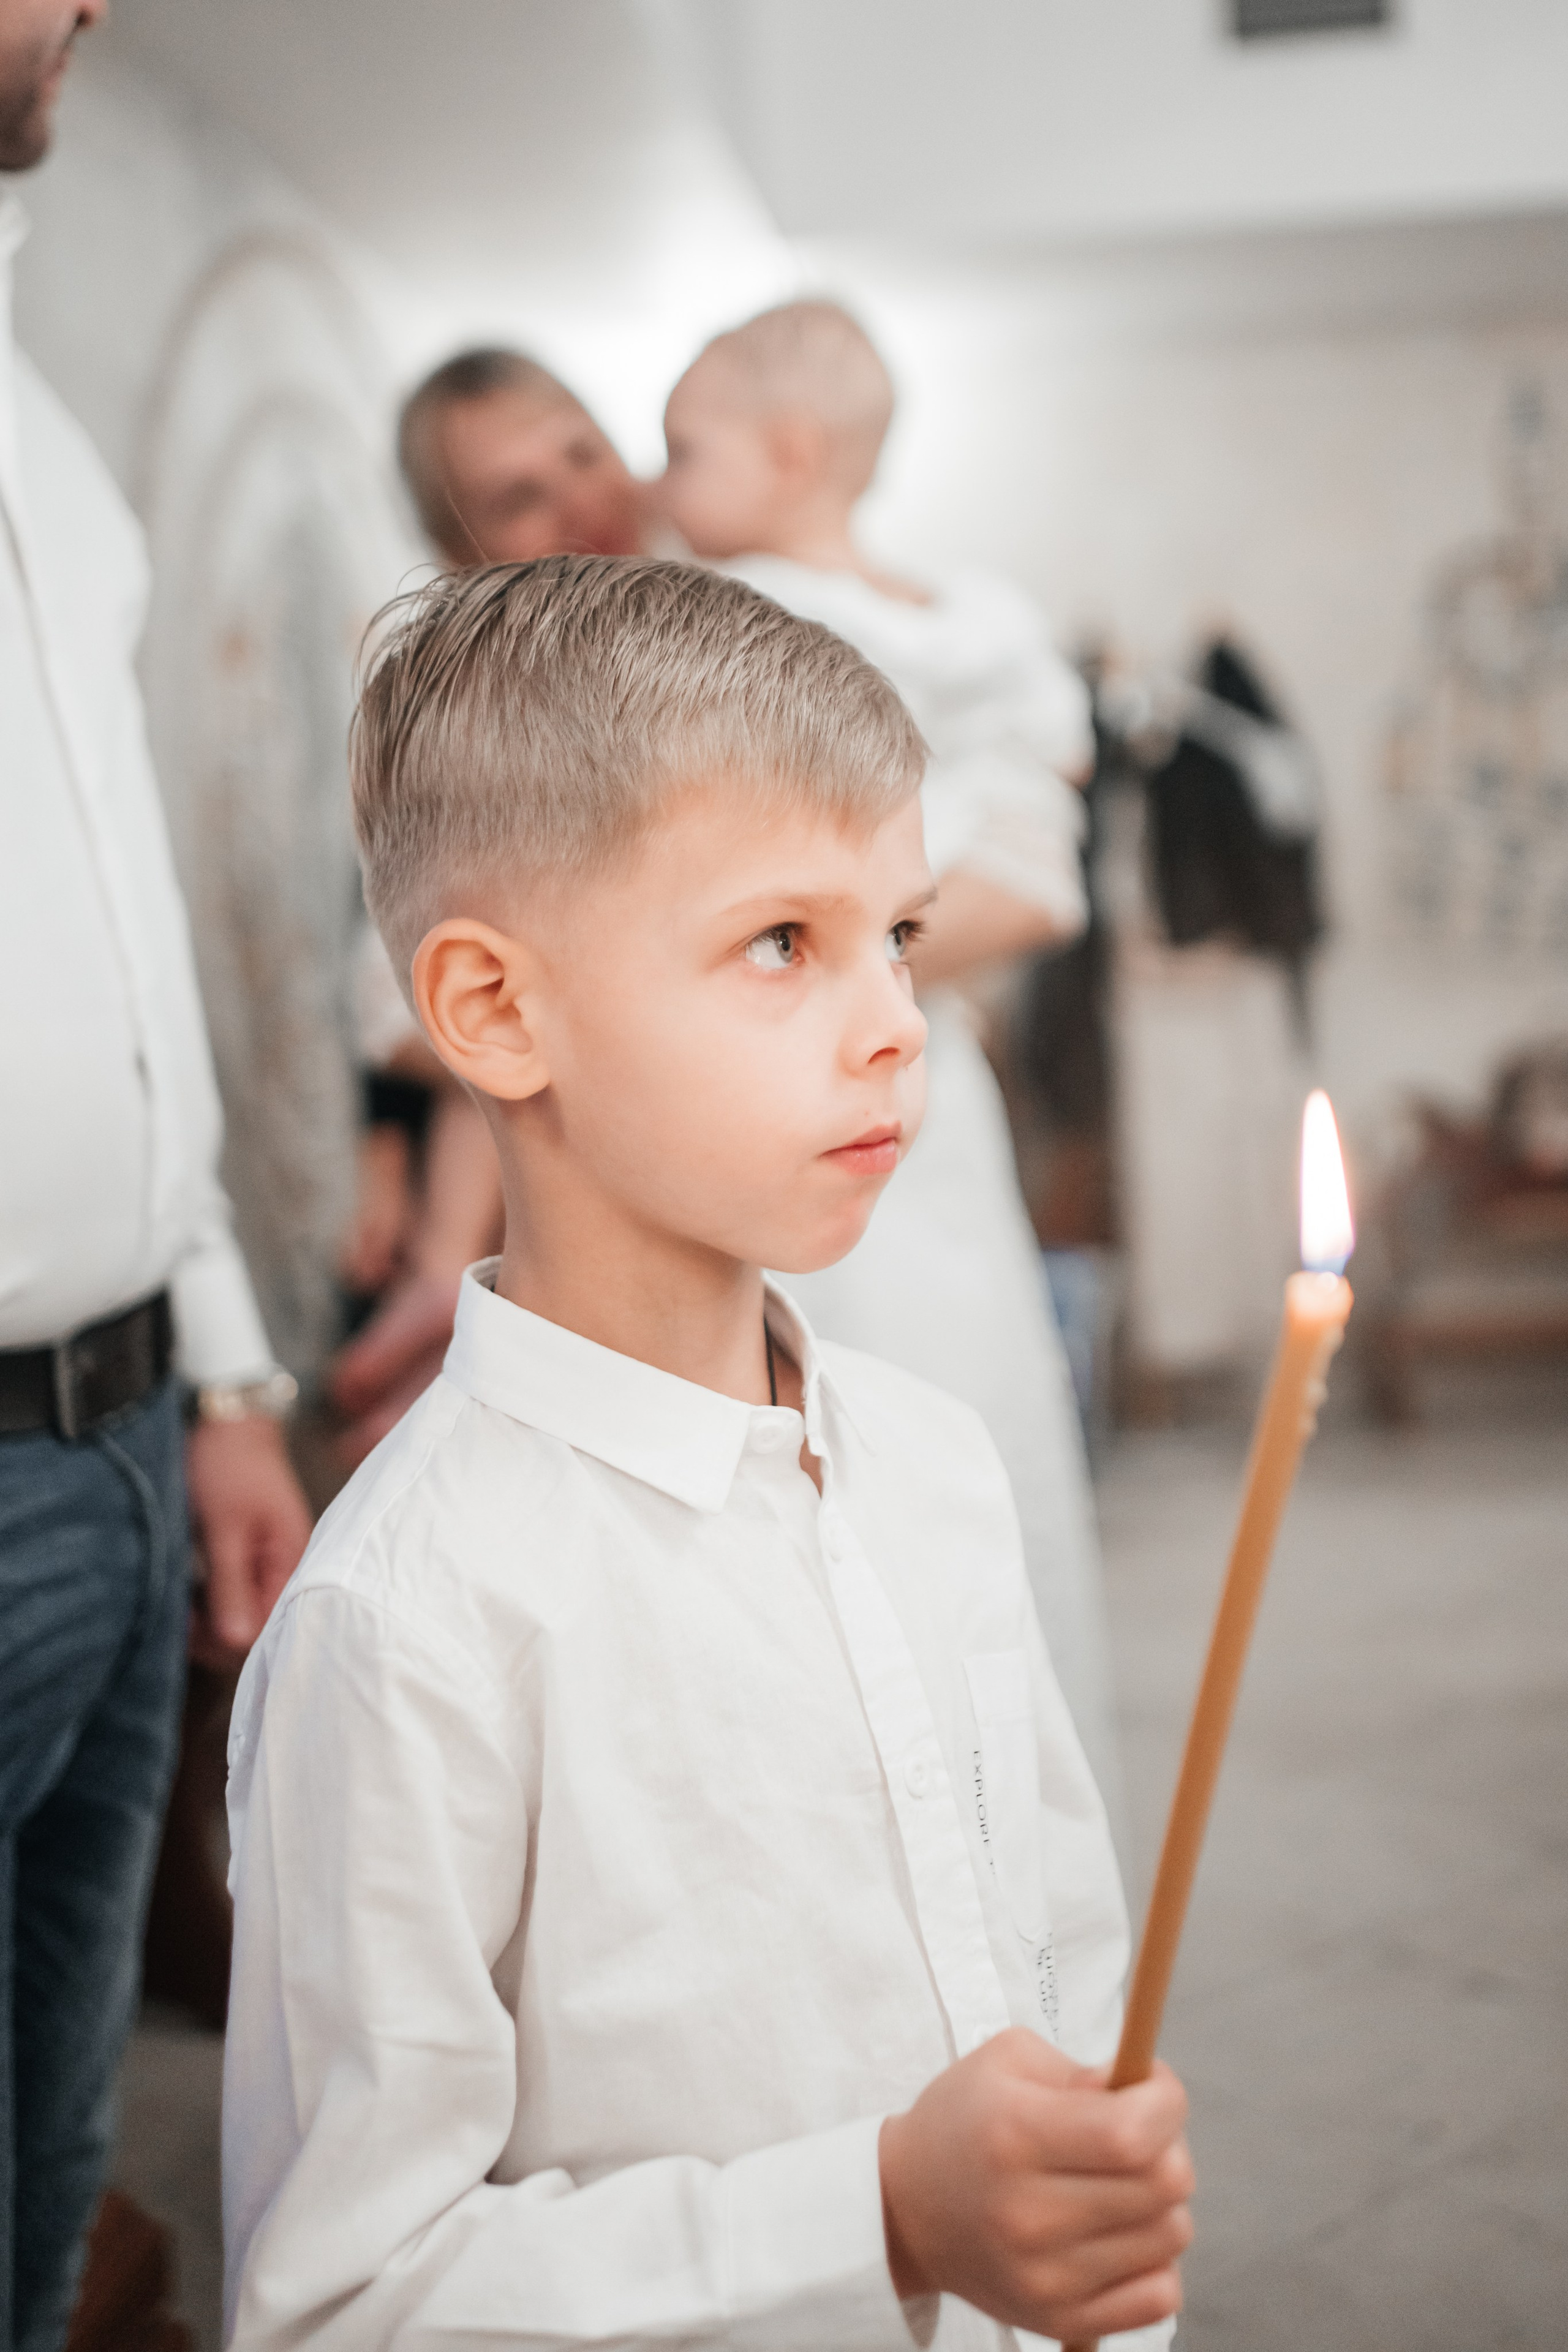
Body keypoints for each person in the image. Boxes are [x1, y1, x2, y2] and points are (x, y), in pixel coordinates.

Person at [223, 556, 1191, 2350]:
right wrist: (883, 2212)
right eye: (781, 943)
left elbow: (1053, 1943)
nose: (899, 1015)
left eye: (897, 932)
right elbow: (343, 2303)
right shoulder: (409, 1631)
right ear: (500, 1013)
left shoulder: (929, 1459)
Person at [0, 6, 312, 2343]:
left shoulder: (38, 422)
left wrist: (213, 1367)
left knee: (55, 2132)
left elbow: (113, 939)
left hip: (114, 1443)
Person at [660, 300, 1120, 1796]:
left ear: (791, 453)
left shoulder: (757, 623)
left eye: (687, 447)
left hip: (854, 1086)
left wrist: (793, 942)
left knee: (902, 1416)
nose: (664, 484)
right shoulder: (976, 630)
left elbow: (1029, 888)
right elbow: (1028, 865)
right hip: (892, 1067)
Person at [327, 346, 652, 1461]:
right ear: (455, 549)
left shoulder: (755, 614)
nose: (581, 501)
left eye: (583, 450)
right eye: (519, 497)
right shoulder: (460, 711)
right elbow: (394, 994)